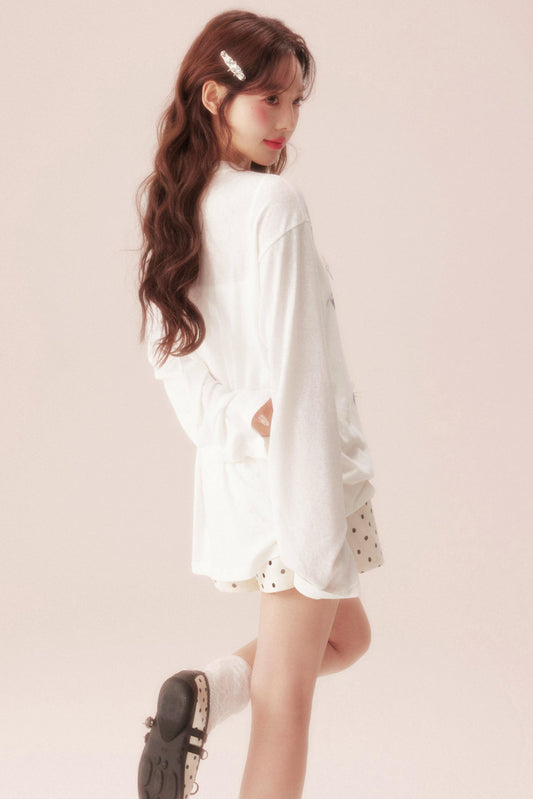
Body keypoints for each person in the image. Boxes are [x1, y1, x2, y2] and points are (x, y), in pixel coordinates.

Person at [135, 9, 385, 799]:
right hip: (297, 487)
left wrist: (240, 415)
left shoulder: (180, 206)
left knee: (346, 638)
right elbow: (300, 375)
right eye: (269, 99)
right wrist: (314, 532)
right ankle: (209, 696)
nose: (286, 120)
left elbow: (171, 360)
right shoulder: (273, 206)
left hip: (248, 482)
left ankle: (204, 691)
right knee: (286, 700)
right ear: (215, 96)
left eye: (295, 101)